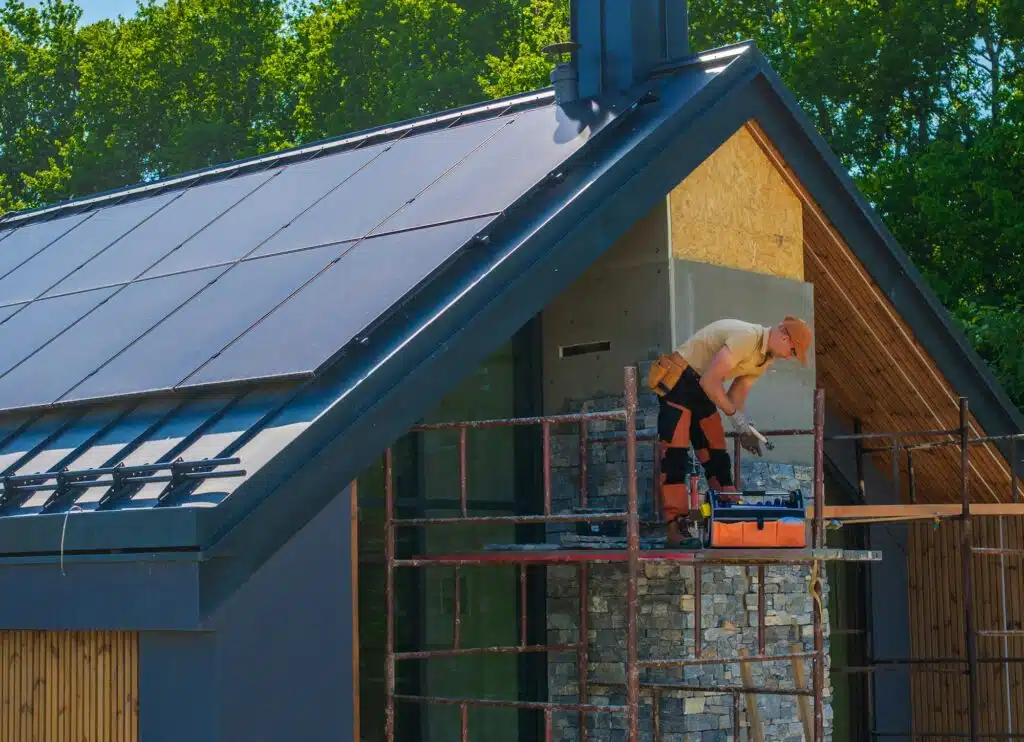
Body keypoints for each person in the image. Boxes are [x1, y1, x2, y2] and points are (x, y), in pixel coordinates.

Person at [646, 317, 813, 546]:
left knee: (717, 454)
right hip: (681, 381)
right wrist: (737, 420)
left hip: (701, 387)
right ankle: (676, 527)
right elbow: (710, 382)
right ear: (784, 337)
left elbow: (737, 395)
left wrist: (746, 427)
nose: (788, 357)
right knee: (675, 456)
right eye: (792, 351)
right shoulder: (746, 337)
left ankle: (728, 520)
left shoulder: (764, 359)